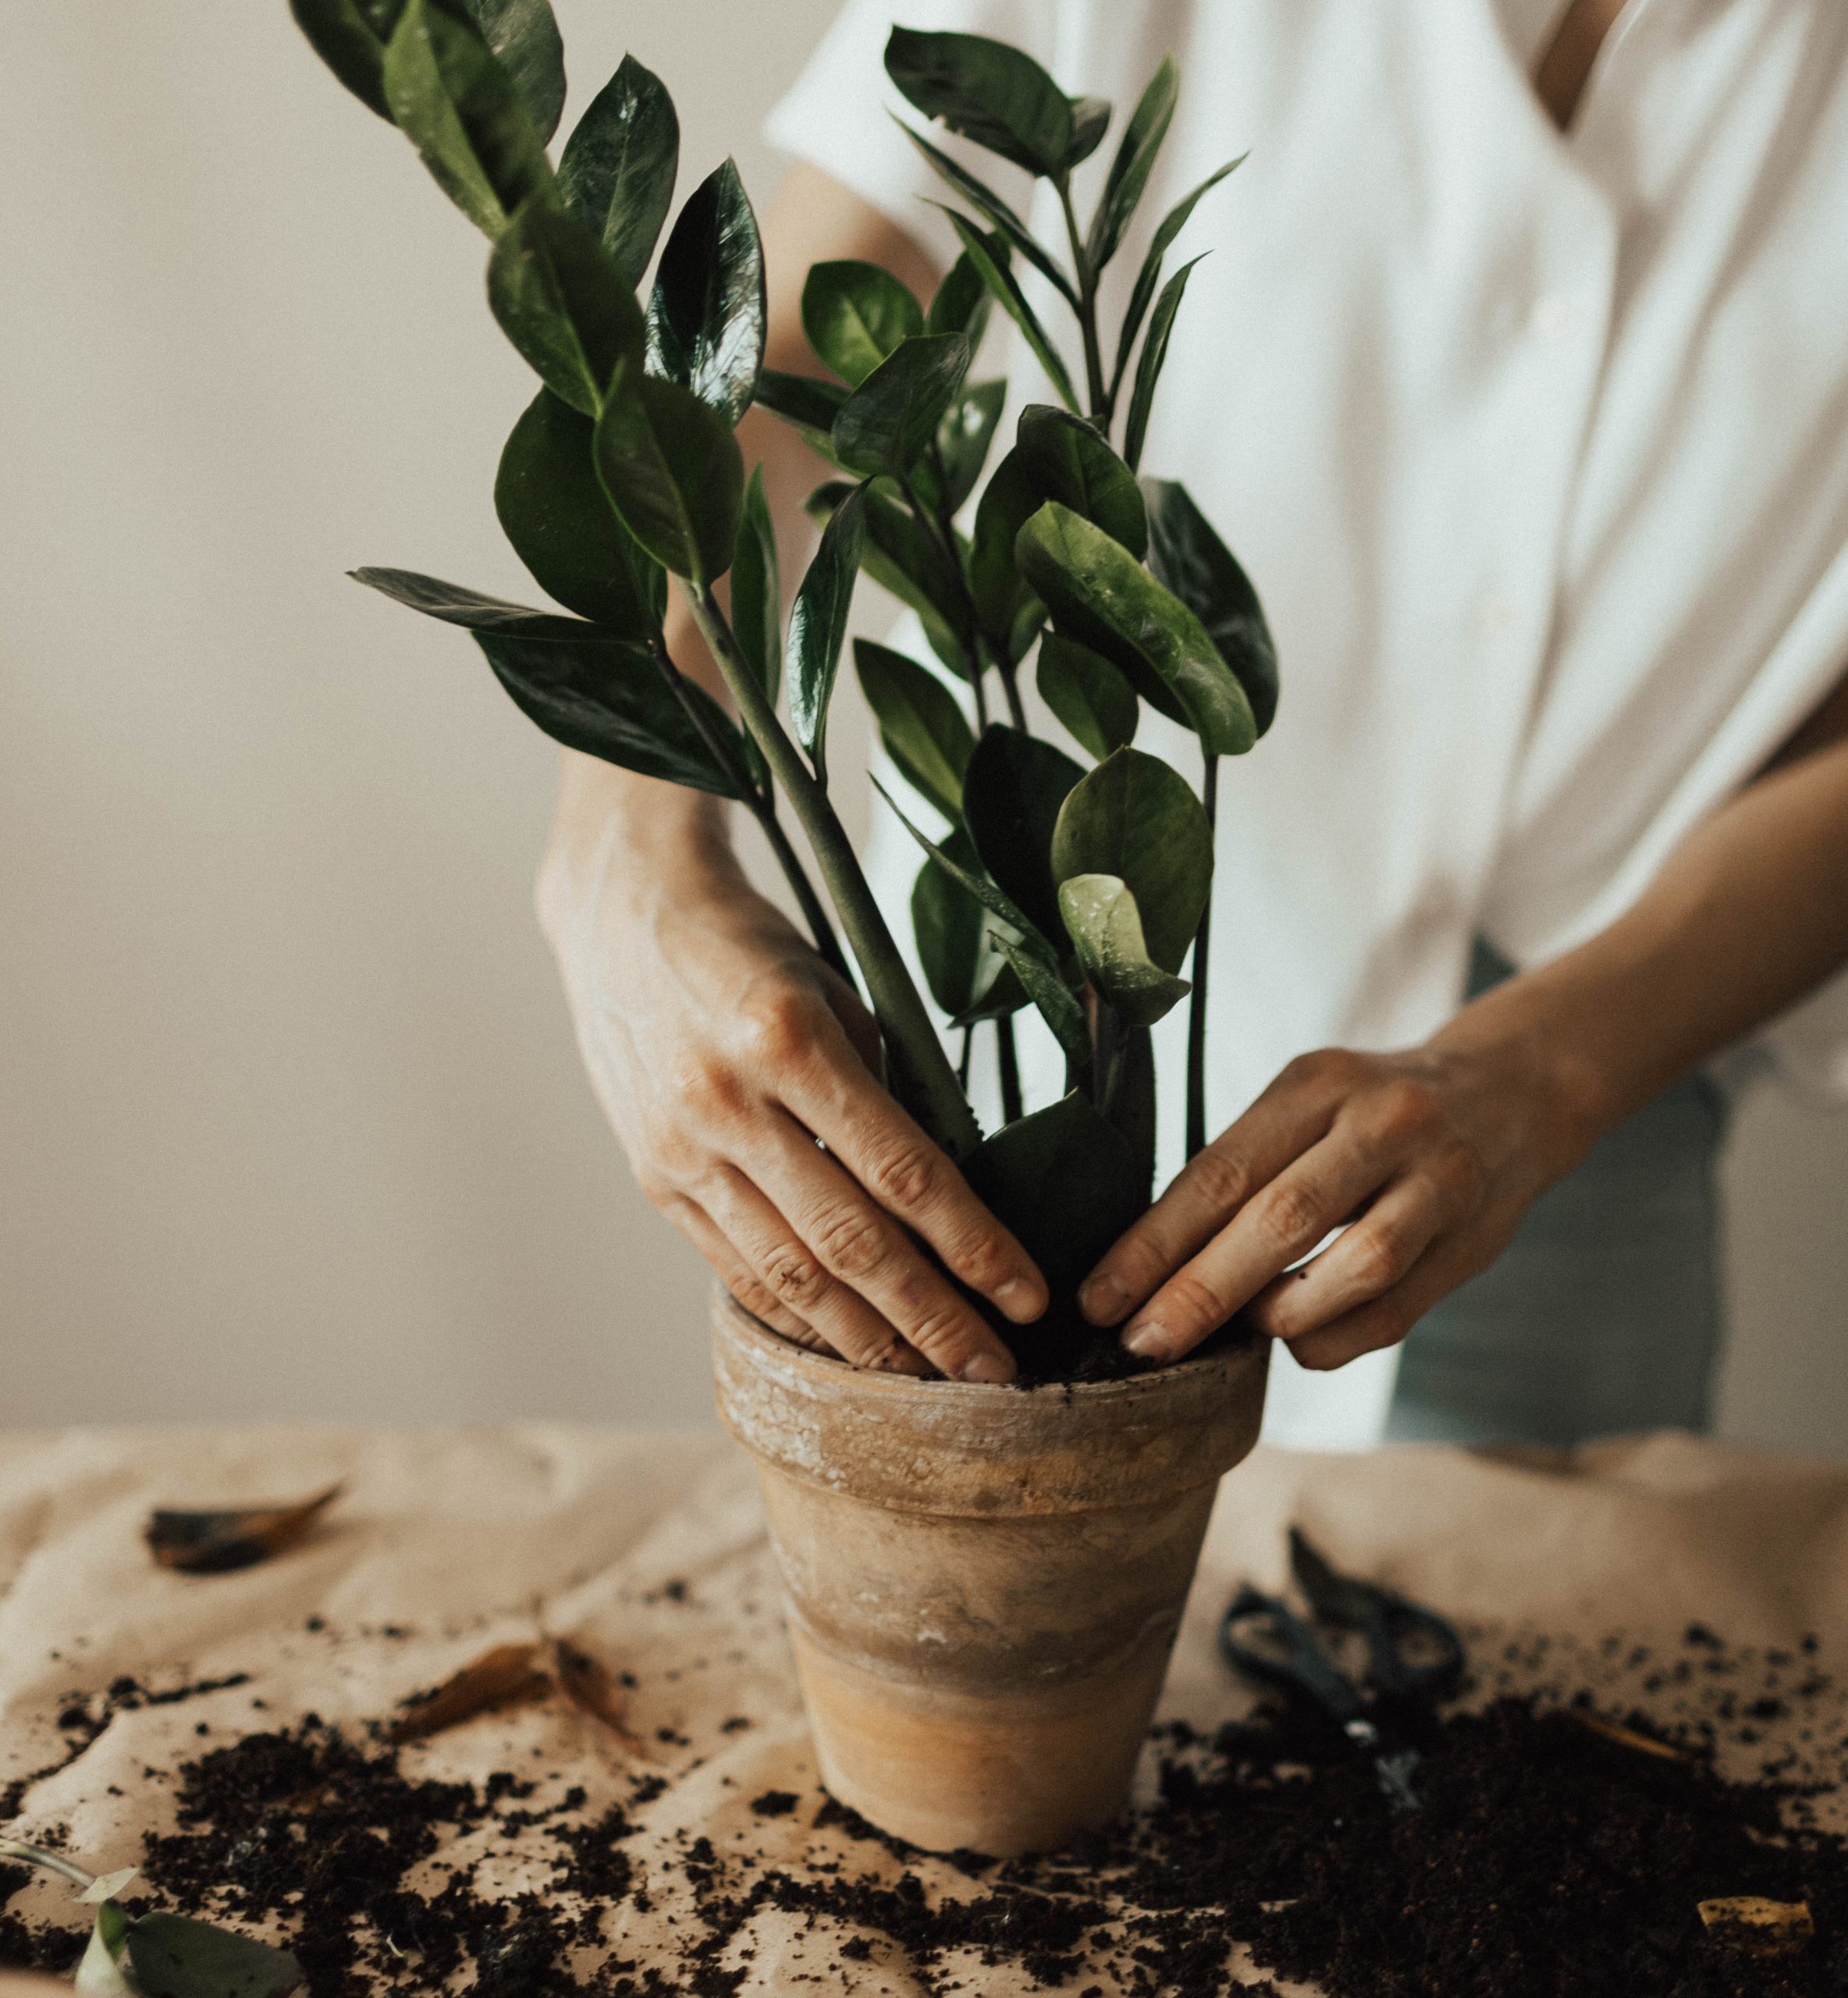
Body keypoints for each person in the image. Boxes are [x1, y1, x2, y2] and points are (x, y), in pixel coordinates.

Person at [538, 0, 1848, 1446]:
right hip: (998, 1031)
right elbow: (787, 357)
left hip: (1582, 1084)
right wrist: (625, 846)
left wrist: (1549, 1075)